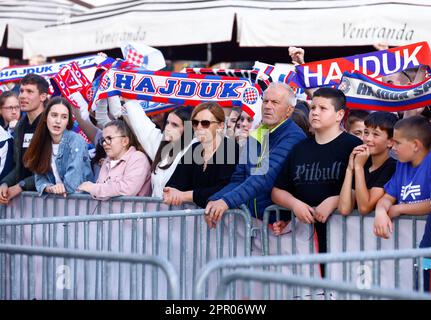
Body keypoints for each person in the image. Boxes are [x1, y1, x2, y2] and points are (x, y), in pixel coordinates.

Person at [271, 88, 362, 259]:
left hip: (345, 240)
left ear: (339, 115)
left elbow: (367, 191)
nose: (315, 113)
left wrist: (334, 201)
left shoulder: (353, 146)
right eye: (313, 108)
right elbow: (277, 191)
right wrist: (294, 205)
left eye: (323, 108)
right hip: (305, 241)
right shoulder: (300, 148)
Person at [205, 83, 306, 228]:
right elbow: (239, 178)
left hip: (279, 225)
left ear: (289, 110)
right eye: (265, 101)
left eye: (275, 102)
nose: (267, 106)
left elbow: (263, 177)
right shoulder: (259, 134)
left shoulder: (293, 136)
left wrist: (226, 202)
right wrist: (214, 200)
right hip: (251, 223)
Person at [373, 116, 431, 292]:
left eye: (397, 142)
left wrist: (399, 208)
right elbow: (387, 197)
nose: (392, 146)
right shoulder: (402, 165)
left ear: (415, 144)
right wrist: (381, 212)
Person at [110, 98, 194, 198]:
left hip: (185, 213)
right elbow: (141, 123)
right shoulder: (160, 145)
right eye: (167, 123)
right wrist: (128, 99)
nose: (167, 128)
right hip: (156, 212)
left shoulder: (195, 148)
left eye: (174, 125)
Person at [164, 102, 240, 208]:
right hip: (195, 220)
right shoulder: (194, 148)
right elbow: (174, 183)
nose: (199, 127)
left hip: (225, 221)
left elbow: (224, 189)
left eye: (205, 123)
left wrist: (185, 196)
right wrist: (171, 192)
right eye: (195, 123)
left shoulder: (230, 148)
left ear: (220, 126)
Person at [22, 97, 93, 196]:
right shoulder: (41, 141)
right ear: (46, 117)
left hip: (81, 202)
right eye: (54, 115)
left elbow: (73, 183)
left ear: (68, 121)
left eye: (64, 117)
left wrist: (60, 188)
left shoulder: (76, 141)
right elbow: (39, 179)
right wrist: (49, 188)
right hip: (57, 205)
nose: (58, 121)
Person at [0, 74, 49, 204]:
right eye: (21, 91)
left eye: (29, 91)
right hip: (23, 202)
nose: (22, 96)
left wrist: (22, 185)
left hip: (47, 201)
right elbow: (18, 167)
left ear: (42, 97)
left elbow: (51, 170)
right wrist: (5, 183)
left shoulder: (50, 125)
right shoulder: (20, 126)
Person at [338, 112, 398, 215]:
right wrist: (349, 169)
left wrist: (358, 168)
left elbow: (364, 207)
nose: (367, 139)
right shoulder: (362, 163)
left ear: (390, 142)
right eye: (366, 132)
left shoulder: (392, 167)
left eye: (375, 134)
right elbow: (344, 209)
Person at [78, 119, 151, 200]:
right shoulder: (107, 160)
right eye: (103, 140)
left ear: (125, 141)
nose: (105, 143)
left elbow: (128, 189)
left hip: (130, 212)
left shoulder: (138, 158)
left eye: (109, 138)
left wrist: (94, 188)